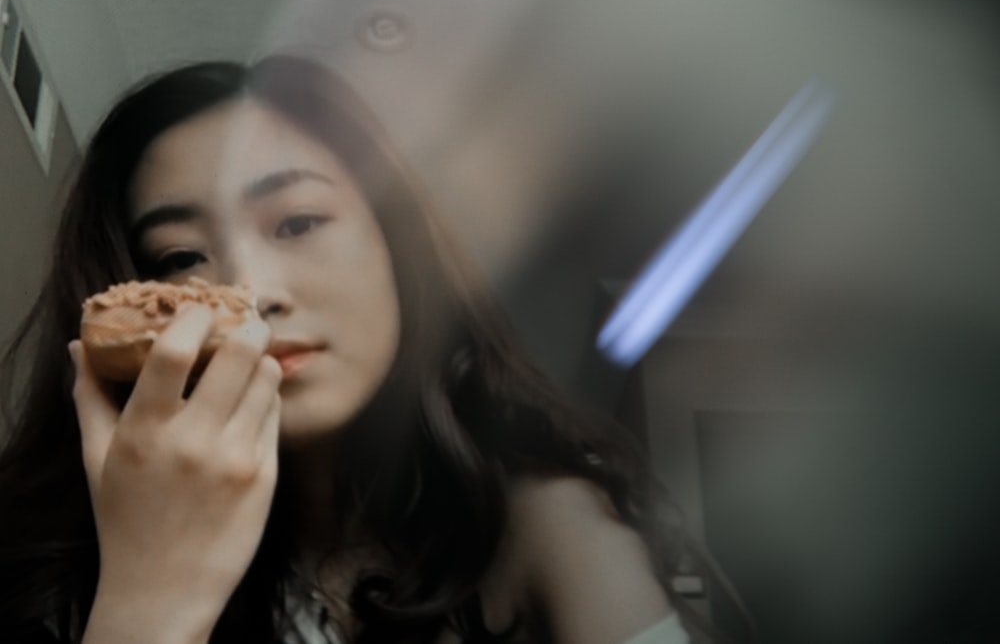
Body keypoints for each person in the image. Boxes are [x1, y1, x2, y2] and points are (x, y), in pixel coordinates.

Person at [0, 55, 745, 644]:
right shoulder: (63, 561)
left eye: (296, 223)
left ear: (398, 247)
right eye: (177, 258)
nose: (250, 291)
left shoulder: (549, 522)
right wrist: (149, 598)